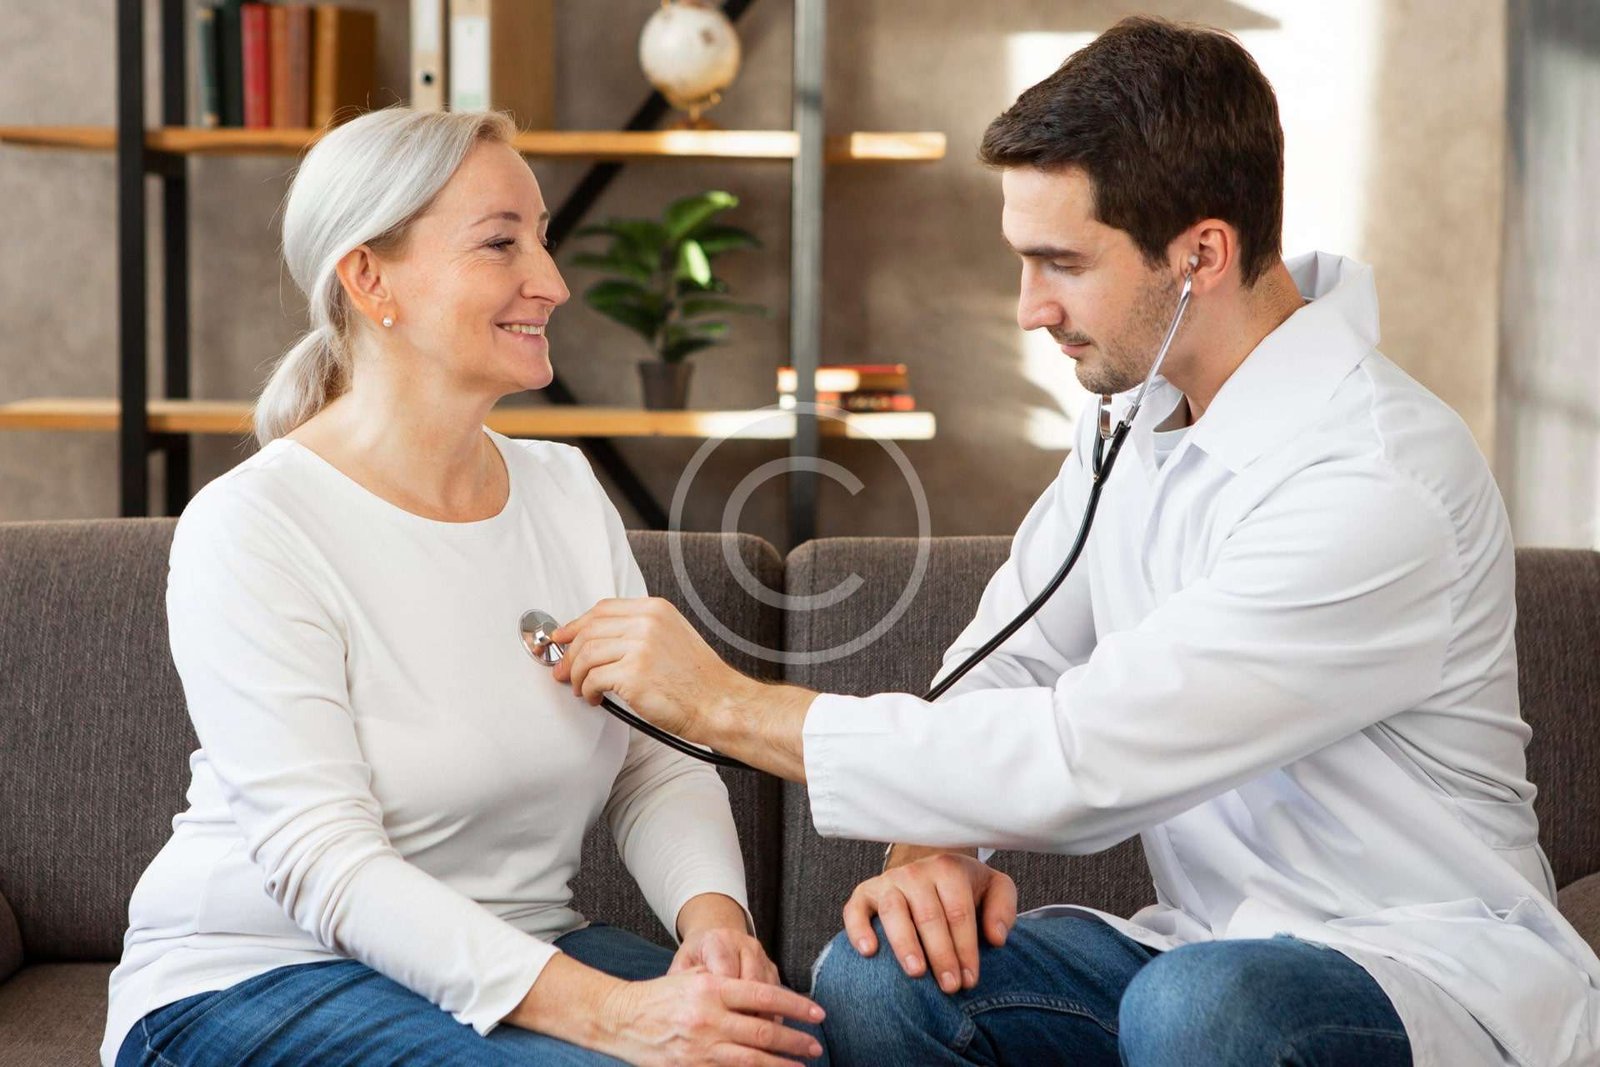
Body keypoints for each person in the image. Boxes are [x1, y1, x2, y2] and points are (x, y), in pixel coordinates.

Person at [549, 17, 1600, 1067]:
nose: (1027, 308)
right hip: (1200, 954)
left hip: (1418, 972)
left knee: (1205, 1010)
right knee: (880, 975)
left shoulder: (1373, 477)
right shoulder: (1134, 420)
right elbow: (1013, 655)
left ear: (1201, 254)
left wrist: (722, 701)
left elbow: (1081, 753)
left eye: (1060, 263)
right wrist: (934, 847)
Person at [102, 106, 825, 1067]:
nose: (553, 282)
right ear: (369, 278)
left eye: (544, 240)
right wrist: (617, 1016)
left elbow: (655, 756)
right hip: (263, 973)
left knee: (789, 1052)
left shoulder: (564, 491)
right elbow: (325, 864)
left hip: (522, 943)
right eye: (501, 243)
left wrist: (713, 924)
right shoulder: (255, 525)